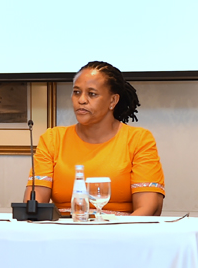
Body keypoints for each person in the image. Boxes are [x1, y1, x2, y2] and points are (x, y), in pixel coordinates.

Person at [23, 61, 164, 216]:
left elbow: (149, 207)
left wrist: (113, 238)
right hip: (62, 234)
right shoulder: (53, 139)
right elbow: (34, 207)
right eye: (77, 92)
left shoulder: (138, 140)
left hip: (120, 234)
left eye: (92, 94)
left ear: (113, 101)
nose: (82, 100)